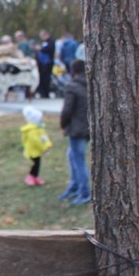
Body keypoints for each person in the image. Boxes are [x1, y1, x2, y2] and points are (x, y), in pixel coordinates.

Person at [58, 59, 91, 205]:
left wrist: (63, 124)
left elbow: (67, 110)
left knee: (78, 160)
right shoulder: (91, 85)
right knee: (72, 155)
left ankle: (84, 192)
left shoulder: (72, 87)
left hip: (76, 128)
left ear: (73, 71)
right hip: (88, 127)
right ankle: (75, 186)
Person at [20, 106, 52, 186]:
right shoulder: (32, 130)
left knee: (37, 164)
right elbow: (36, 141)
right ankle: (30, 177)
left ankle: (35, 177)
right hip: (32, 151)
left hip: (37, 151)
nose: (41, 119)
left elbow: (44, 137)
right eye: (40, 118)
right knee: (34, 164)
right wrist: (44, 148)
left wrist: (48, 144)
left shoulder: (39, 128)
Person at [36, 29, 56, 99]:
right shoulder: (45, 42)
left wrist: (40, 49)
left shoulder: (51, 41)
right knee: (42, 78)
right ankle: (43, 93)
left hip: (47, 62)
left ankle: (46, 93)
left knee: (46, 78)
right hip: (42, 63)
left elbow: (49, 49)